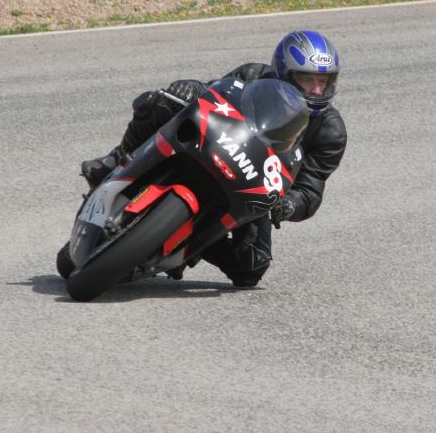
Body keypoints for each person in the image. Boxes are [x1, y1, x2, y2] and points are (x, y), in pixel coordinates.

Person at [76, 30, 348, 287]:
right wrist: (189, 88)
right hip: (214, 146)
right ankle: (115, 160)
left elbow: (311, 187)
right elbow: (214, 93)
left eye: (323, 82)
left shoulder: (330, 132)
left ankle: (191, 244)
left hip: (253, 185)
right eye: (307, 79)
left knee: (251, 267)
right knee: (161, 102)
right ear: (283, 73)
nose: (316, 90)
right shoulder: (253, 75)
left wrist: (290, 204)